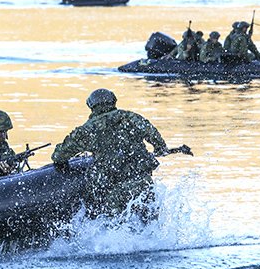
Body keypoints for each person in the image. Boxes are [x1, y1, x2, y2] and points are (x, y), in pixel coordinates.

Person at [51, 89, 191, 219]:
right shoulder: (131, 117)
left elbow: (59, 155)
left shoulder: (86, 131)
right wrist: (160, 149)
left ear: (91, 106)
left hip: (114, 190)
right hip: (143, 182)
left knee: (116, 225)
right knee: (151, 222)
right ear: (113, 101)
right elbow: (156, 140)